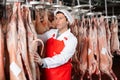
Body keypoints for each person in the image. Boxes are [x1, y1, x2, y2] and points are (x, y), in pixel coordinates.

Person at [33, 9, 78, 80]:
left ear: (67, 21)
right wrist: (30, 39)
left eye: (60, 18)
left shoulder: (72, 39)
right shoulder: (52, 32)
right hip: (47, 73)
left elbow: (63, 58)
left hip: (61, 75)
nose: (57, 21)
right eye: (56, 18)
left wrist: (42, 61)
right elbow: (41, 39)